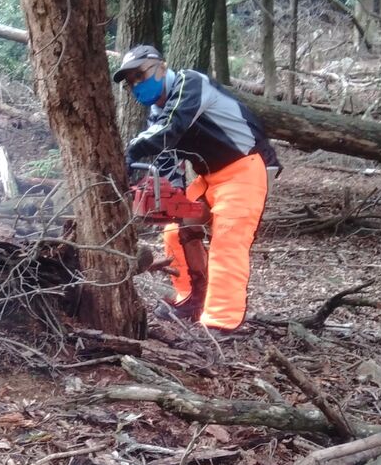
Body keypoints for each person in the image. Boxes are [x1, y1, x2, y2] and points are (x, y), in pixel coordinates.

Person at [113, 44, 280, 335]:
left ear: (161, 67)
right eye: (131, 82)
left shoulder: (190, 84)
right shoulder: (157, 113)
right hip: (210, 177)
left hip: (246, 167)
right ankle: (191, 299)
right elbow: (166, 159)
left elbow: (171, 127)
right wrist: (169, 194)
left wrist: (128, 152)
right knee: (176, 229)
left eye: (140, 75)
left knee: (228, 239)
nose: (136, 84)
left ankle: (221, 321)